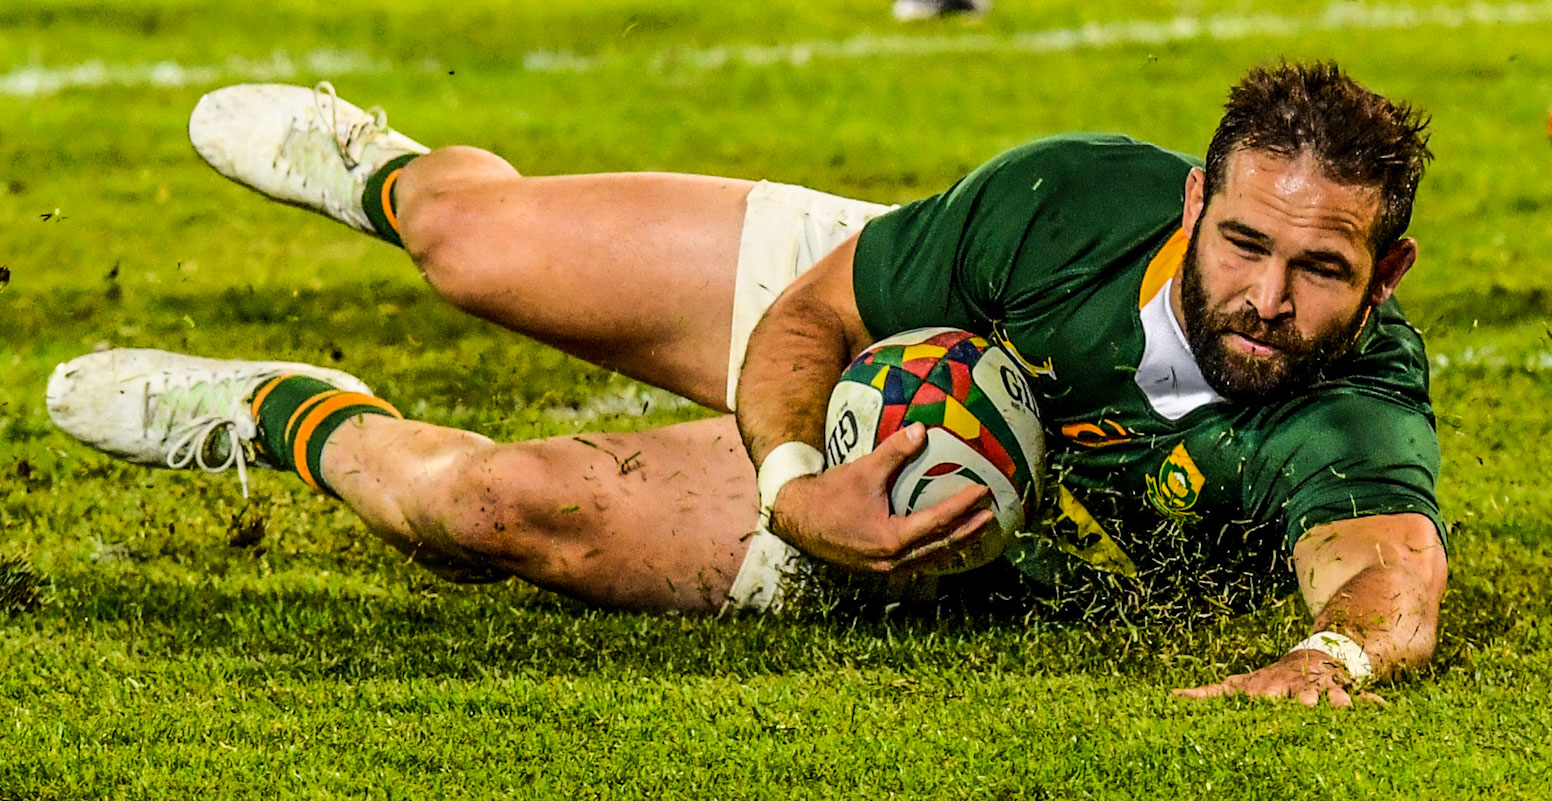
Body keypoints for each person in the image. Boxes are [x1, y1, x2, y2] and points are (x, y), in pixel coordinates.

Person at [47, 61, 1447, 707]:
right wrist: (789, 484)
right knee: (474, 246)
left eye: (1320, 269)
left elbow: (1388, 570)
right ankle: (392, 174)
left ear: (1381, 276)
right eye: (1244, 241)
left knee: (498, 504)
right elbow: (816, 310)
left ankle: (283, 414)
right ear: (1196, 201)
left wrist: (1329, 657)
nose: (1267, 297)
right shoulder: (1070, 200)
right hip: (863, 343)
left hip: (928, 535)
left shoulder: (1349, 409)